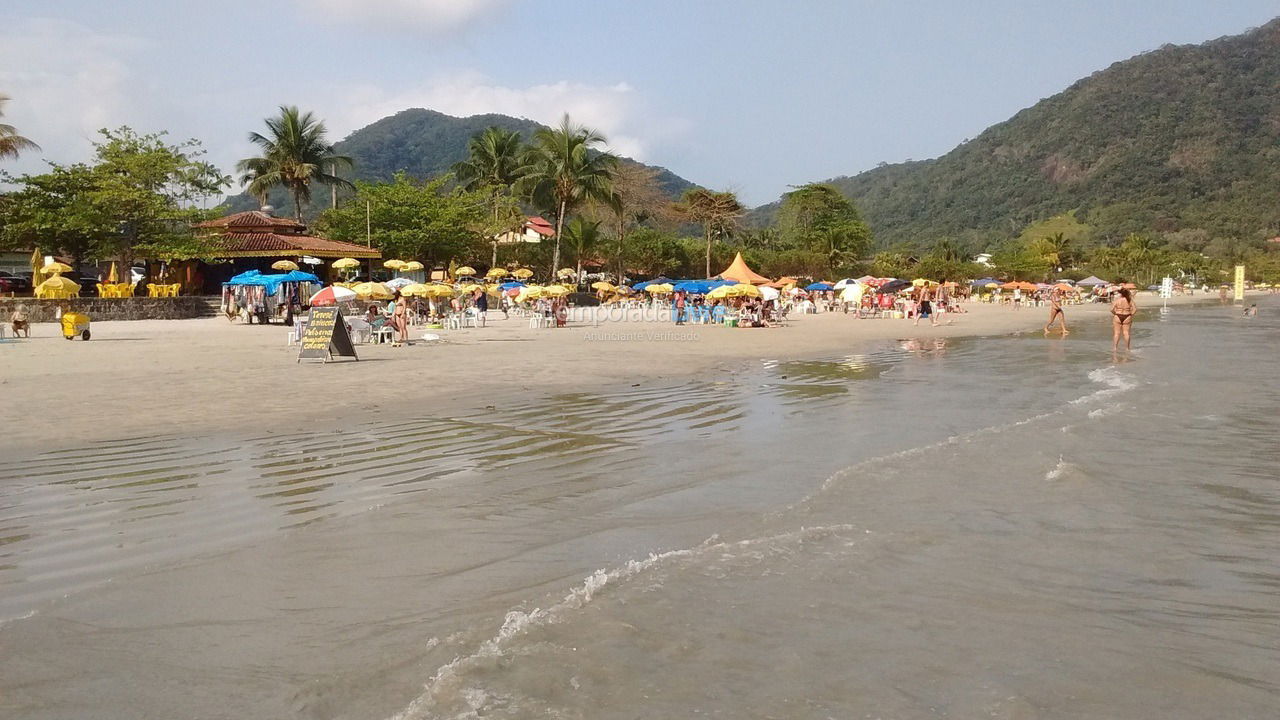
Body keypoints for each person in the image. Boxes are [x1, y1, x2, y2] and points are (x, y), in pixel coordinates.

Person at [1111, 287, 1136, 351]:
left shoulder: (1117, 300)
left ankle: (1115, 348)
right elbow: (1135, 309)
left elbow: (1111, 309)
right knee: (1126, 333)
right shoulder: (1129, 300)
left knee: (1116, 333)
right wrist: (1130, 315)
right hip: (1127, 315)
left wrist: (1115, 314)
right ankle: (1127, 348)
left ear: (1121, 294)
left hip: (1118, 315)